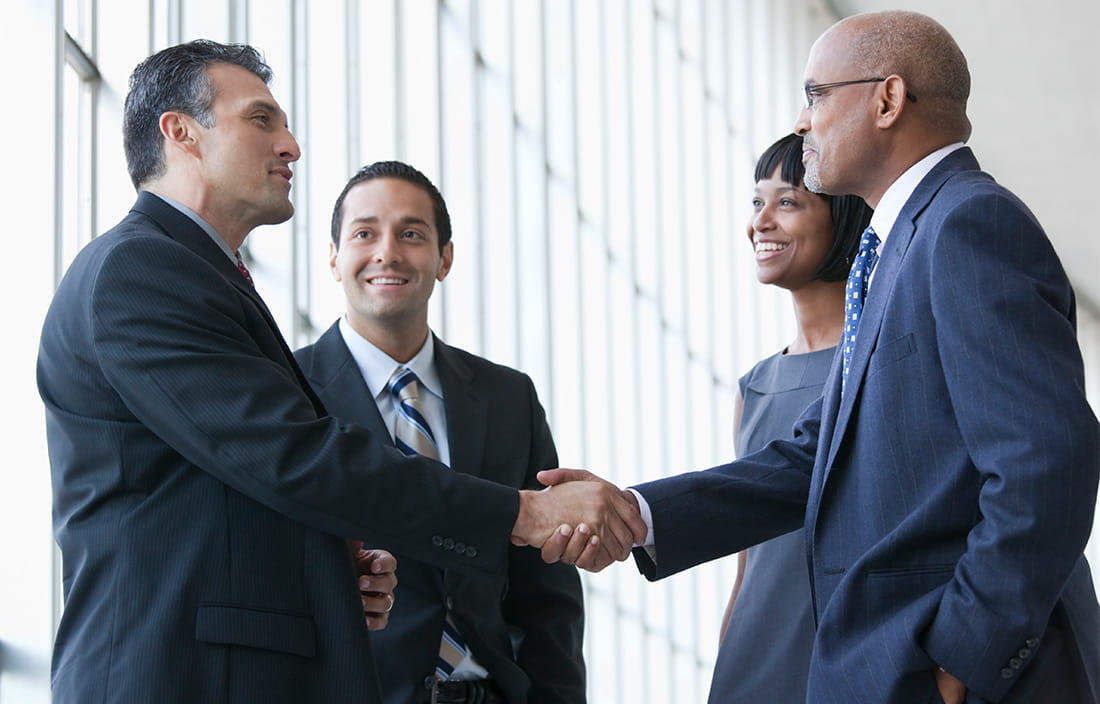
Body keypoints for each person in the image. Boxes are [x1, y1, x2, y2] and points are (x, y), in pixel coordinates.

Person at [36, 40, 642, 704]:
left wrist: (323, 571)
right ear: (181, 133)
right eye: (262, 120)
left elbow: (224, 486)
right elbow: (291, 455)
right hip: (167, 679)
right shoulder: (141, 271)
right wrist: (521, 513)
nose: (291, 145)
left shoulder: (202, 279)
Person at [543, 11, 1100, 704]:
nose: (801, 123)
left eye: (815, 95)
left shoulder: (967, 226)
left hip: (968, 675)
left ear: (887, 100)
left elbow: (1044, 463)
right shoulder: (897, 251)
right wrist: (638, 513)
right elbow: (815, 456)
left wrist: (963, 659)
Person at [294, 160, 586, 704]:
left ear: (444, 258)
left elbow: (546, 592)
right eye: (364, 233)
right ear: (334, 258)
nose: (387, 252)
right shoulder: (288, 393)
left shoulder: (507, 398)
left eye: (411, 234)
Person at [711, 133, 871, 704]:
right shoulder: (754, 387)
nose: (762, 222)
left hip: (849, 662)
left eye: (788, 202)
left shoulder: (878, 365)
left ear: (843, 220)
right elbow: (746, 565)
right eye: (757, 203)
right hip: (753, 667)